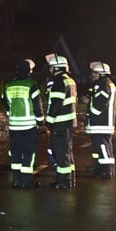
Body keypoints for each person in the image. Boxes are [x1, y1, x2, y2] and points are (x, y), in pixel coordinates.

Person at [1, 59, 45, 188]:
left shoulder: (9, 85)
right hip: (29, 126)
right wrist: (40, 121)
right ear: (29, 71)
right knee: (28, 153)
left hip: (14, 125)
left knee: (15, 152)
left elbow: (4, 102)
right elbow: (38, 105)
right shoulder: (32, 84)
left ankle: (16, 180)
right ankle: (26, 181)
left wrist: (10, 114)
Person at [45, 53, 78, 189]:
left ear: (56, 68)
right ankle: (70, 179)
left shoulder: (59, 81)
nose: (49, 70)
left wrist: (49, 122)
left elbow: (56, 103)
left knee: (60, 153)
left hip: (60, 123)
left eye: (51, 67)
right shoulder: (69, 80)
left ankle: (63, 182)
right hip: (68, 123)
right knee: (67, 152)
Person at [86, 61, 116, 180]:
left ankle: (106, 171)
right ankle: (99, 167)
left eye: (94, 73)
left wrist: (90, 112)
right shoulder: (103, 84)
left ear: (101, 74)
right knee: (98, 148)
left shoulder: (104, 85)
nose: (92, 75)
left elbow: (99, 105)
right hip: (99, 124)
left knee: (103, 148)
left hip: (101, 123)